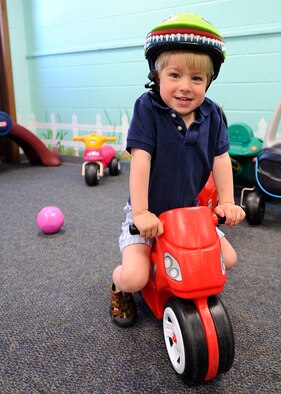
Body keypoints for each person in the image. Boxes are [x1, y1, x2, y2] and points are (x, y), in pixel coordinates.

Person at [110, 13, 245, 328]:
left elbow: (221, 159)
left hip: (190, 211)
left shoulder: (211, 114)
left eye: (196, 79)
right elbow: (140, 160)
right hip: (149, 211)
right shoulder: (148, 108)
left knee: (228, 259)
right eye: (174, 75)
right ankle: (117, 288)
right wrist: (141, 212)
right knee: (135, 275)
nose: (185, 87)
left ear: (208, 81)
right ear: (156, 74)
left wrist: (227, 200)